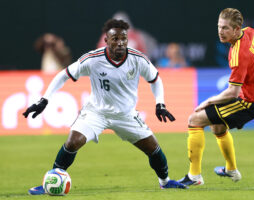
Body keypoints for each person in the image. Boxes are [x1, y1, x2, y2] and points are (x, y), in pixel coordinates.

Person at [24, 19, 186, 195]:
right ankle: (51, 181)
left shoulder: (137, 59)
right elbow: (63, 75)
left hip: (126, 115)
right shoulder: (93, 59)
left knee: (153, 149)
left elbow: (155, 79)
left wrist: (159, 103)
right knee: (72, 142)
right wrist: (44, 100)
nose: (120, 42)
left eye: (123, 38)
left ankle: (165, 181)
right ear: (106, 41)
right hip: (96, 112)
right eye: (115, 38)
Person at [178, 8, 254, 186]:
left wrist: (208, 101)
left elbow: (233, 93)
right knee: (217, 127)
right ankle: (231, 170)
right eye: (219, 27)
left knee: (194, 119)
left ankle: (194, 177)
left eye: (225, 28)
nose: (220, 32)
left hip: (250, 102)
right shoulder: (253, 33)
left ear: (237, 29)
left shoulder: (239, 54)